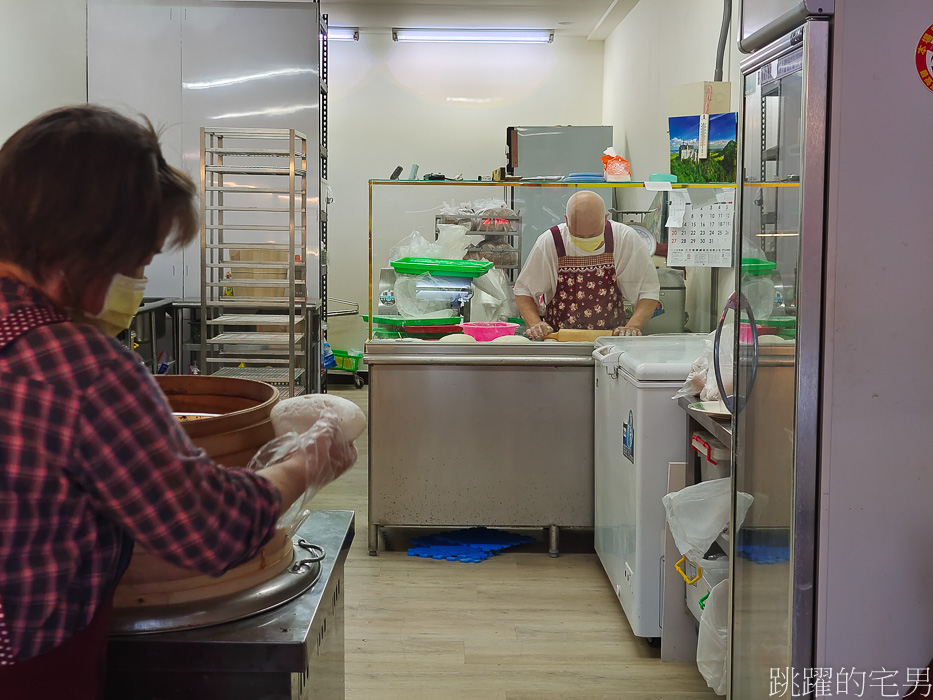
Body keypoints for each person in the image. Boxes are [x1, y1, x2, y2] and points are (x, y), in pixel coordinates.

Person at [0, 105, 357, 699]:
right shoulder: (75, 369)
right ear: (92, 243)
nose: (138, 277)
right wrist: (305, 462)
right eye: (138, 258)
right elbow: (206, 526)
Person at [514, 190, 661, 340]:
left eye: (592, 236)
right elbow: (523, 291)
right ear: (566, 220)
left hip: (611, 343)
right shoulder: (551, 241)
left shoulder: (624, 238)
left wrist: (632, 327)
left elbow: (648, 291)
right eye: (577, 235)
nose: (585, 239)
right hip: (559, 343)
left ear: (605, 219)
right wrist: (535, 324)